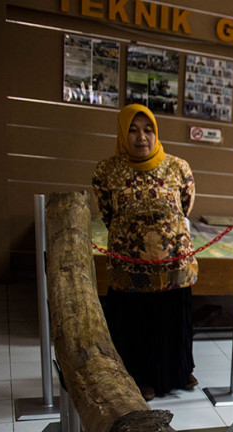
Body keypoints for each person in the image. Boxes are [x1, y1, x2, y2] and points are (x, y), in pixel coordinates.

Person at [92, 103, 198, 401]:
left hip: (173, 262)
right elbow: (106, 212)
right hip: (131, 266)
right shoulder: (106, 171)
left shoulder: (179, 167)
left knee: (172, 318)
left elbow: (186, 205)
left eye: (148, 129)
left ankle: (178, 372)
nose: (142, 137)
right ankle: (139, 378)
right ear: (123, 134)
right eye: (133, 130)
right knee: (134, 322)